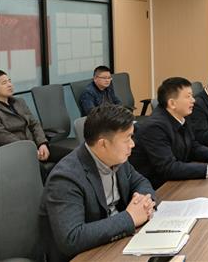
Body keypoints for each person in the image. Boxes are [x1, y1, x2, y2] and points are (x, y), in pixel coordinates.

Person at [40, 103, 155, 262]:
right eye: (127, 138)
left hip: (118, 241)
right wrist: (129, 218)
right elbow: (71, 238)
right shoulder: (65, 178)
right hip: (88, 255)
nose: (132, 144)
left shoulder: (117, 157)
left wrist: (143, 201)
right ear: (103, 144)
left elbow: (140, 181)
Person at [130, 77, 208, 189]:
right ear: (172, 103)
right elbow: (168, 168)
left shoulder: (182, 116)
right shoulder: (154, 127)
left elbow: (192, 146)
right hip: (158, 188)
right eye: (188, 96)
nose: (193, 100)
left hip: (177, 179)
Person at [0, 70, 53, 179]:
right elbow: (3, 137)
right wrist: (30, 150)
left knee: (70, 155)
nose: (9, 85)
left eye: (9, 81)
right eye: (4, 83)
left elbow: (34, 124)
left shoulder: (19, 102)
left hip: (35, 146)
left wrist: (42, 143)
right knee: (39, 169)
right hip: (15, 152)